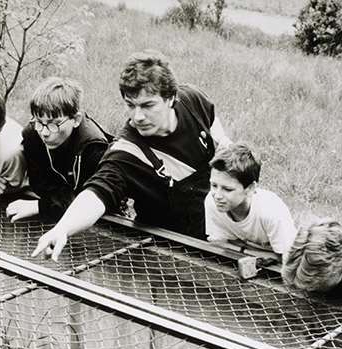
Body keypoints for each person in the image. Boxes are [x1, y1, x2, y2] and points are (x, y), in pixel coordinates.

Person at [33, 49, 230, 261]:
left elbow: (224, 148)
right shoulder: (125, 152)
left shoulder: (194, 101)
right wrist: (63, 228)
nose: (138, 116)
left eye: (148, 105)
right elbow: (97, 193)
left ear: (171, 98)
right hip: (167, 251)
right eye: (130, 105)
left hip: (222, 233)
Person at [5, 77, 112, 222]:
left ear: (76, 120)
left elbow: (92, 198)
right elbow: (40, 185)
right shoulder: (32, 134)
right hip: (58, 205)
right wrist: (57, 201)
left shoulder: (93, 147)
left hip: (102, 215)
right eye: (39, 122)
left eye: (53, 124)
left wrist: (41, 206)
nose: (44, 132)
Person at [205, 141, 296, 256]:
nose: (217, 195)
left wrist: (241, 248)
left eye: (227, 189)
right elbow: (219, 244)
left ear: (250, 189)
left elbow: (287, 258)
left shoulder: (271, 212)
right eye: (214, 185)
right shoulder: (212, 202)